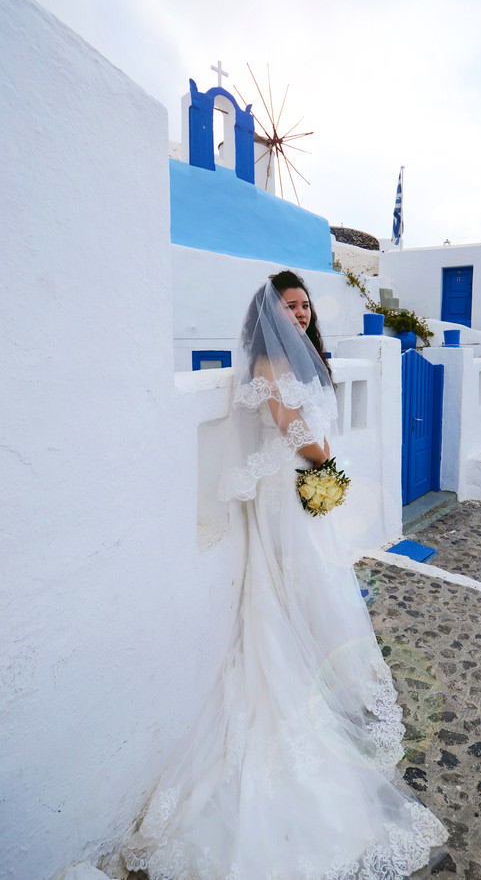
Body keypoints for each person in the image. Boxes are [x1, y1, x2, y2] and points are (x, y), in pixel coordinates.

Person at [118, 271, 448, 879]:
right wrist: (330, 467)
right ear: (268, 314)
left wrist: (325, 466)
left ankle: (321, 664)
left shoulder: (303, 355)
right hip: (288, 491)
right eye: (288, 306)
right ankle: (307, 674)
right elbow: (294, 428)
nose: (299, 314)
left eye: (304, 305)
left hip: (302, 489)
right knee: (301, 584)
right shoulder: (271, 363)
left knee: (317, 582)